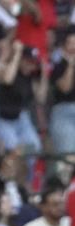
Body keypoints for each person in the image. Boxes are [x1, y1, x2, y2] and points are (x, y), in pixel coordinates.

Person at [0, 41, 47, 155]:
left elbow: (41, 98)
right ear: (21, 60)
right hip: (4, 118)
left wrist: (44, 75)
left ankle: (27, 172)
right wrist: (17, 55)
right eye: (28, 61)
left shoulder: (31, 77)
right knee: (13, 150)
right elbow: (7, 79)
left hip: (21, 117)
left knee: (34, 147)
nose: (31, 65)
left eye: (33, 63)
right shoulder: (10, 69)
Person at [50, 28, 75, 156]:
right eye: (70, 43)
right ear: (64, 47)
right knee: (68, 158)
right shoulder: (58, 65)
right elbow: (65, 88)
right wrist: (71, 65)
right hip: (63, 111)